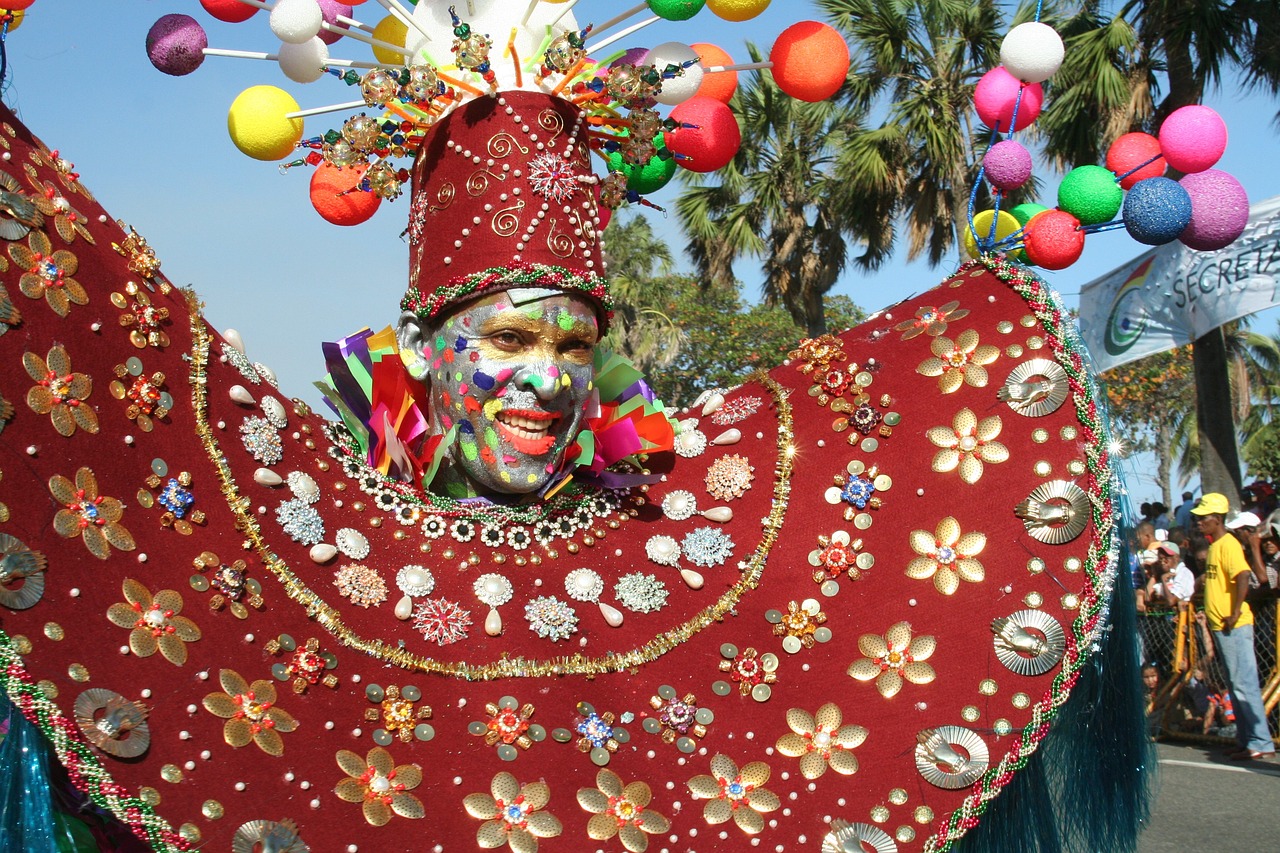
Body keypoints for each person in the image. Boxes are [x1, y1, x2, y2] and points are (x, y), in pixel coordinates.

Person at [0, 6, 1153, 853]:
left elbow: (854, 446)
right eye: (504, 340)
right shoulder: (298, 521)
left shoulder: (672, 515)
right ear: (423, 347)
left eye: (566, 346)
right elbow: (132, 388)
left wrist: (985, 314)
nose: (543, 382)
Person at [1192, 493, 1276, 759]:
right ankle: (1246, 738)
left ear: (1217, 519)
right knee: (1235, 684)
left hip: (1235, 625)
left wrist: (1235, 610)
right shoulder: (1216, 545)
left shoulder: (1228, 544)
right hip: (1222, 626)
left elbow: (1242, 575)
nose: (1198, 522)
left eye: (1204, 517)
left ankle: (1260, 742)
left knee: (1244, 684)